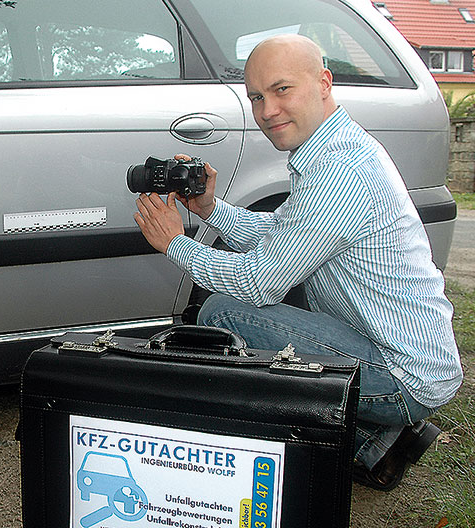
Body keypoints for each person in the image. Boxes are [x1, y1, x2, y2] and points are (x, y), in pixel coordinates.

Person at [133, 34, 462, 491]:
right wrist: (210, 208)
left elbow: (257, 282)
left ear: (323, 82)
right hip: (398, 353)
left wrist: (176, 244)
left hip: (402, 373)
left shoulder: (339, 171)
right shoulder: (333, 149)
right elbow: (281, 235)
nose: (267, 110)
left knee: (222, 311)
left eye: (282, 89)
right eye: (256, 97)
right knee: (288, 297)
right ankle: (376, 440)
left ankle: (368, 428)